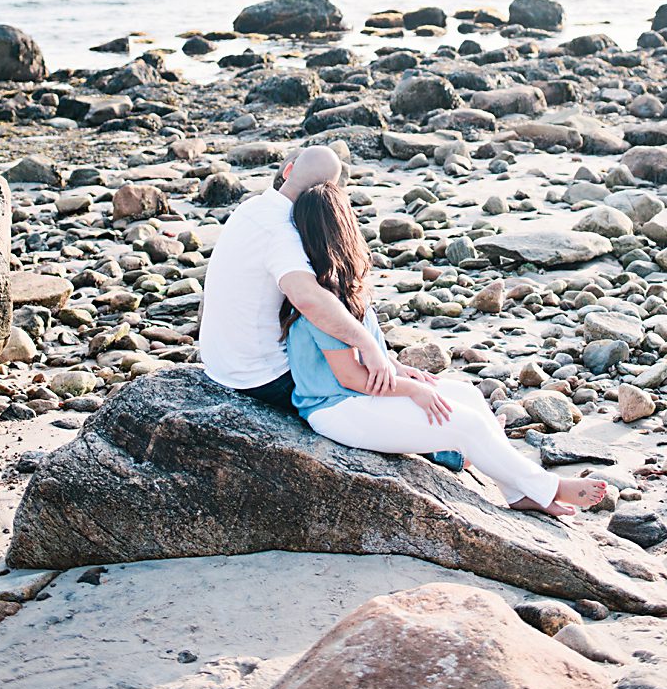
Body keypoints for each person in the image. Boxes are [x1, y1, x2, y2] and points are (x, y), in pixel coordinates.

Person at [282, 181, 607, 517]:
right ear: (342, 229)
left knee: (468, 396)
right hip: (336, 410)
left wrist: (397, 368)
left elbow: (369, 350)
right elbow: (350, 376)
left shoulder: (342, 285)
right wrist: (412, 390)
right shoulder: (319, 300)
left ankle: (519, 492)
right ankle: (547, 488)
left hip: (360, 397)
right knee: (466, 425)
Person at [199, 146, 396, 412]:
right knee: (366, 380)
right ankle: (445, 450)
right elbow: (307, 299)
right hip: (261, 377)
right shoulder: (282, 233)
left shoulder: (250, 208)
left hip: (219, 363)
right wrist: (366, 343)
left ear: (288, 171)